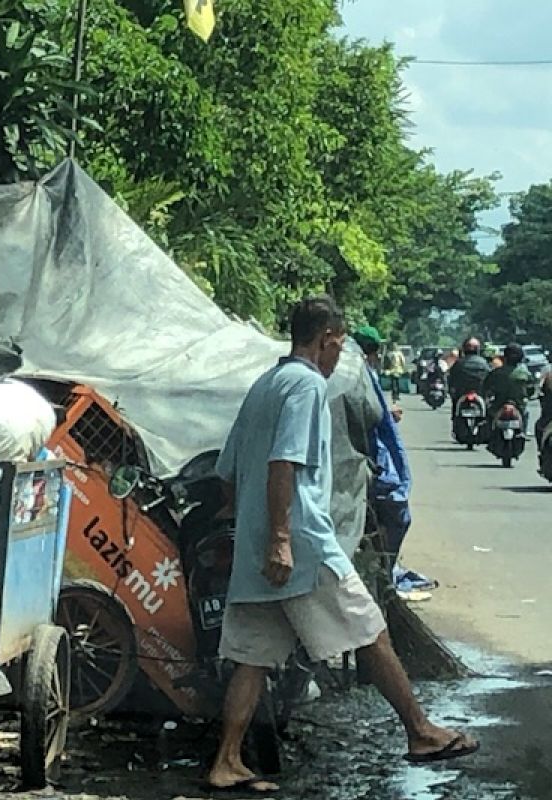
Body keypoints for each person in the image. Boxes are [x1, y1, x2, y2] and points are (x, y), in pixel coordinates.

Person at [204, 297, 477, 793]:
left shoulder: (266, 383)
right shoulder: (307, 386)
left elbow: (227, 472)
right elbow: (282, 463)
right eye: (339, 343)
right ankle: (420, 732)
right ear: (328, 337)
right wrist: (282, 539)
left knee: (252, 657)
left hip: (255, 549)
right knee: (370, 630)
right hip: (302, 547)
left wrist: (252, 533)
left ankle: (226, 761)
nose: (338, 355)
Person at [353, 327, 413, 573]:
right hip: (365, 465)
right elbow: (372, 420)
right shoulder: (360, 375)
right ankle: (385, 570)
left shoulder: (357, 375)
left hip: (364, 463)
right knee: (398, 514)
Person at [482, 343, 534, 425]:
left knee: (488, 416)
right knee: (525, 413)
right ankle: (523, 432)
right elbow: (531, 390)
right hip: (519, 405)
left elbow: (486, 387)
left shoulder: (496, 372)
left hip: (498, 405)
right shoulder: (526, 373)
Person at [448, 338, 490, 421]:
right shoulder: (484, 363)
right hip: (479, 392)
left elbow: (451, 377)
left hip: (462, 393)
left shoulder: (459, 363)